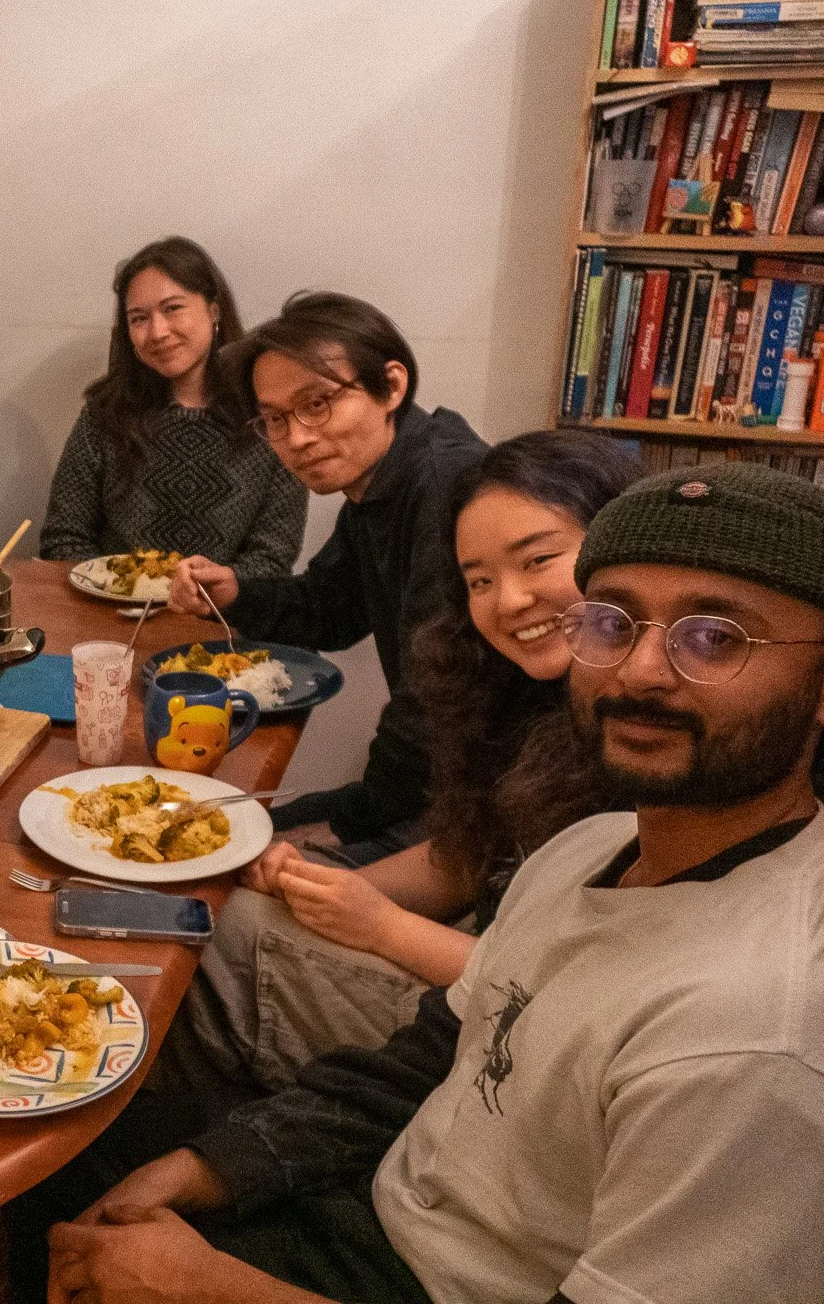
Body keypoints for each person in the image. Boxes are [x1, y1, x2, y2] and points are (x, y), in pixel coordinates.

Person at [31, 461, 824, 1304]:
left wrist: (211, 1287)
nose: (640, 671)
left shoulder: (753, 1043)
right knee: (57, 1154)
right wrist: (211, 1168)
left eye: (716, 638)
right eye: (612, 621)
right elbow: (429, 1059)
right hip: (382, 1204)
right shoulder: (594, 844)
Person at [154, 430, 635, 1118]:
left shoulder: (644, 733)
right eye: (479, 581)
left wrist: (379, 924)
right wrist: (334, 887)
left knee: (203, 945)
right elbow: (469, 858)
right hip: (482, 965)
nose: (510, 600)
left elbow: (572, 990)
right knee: (231, 904)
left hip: (523, 1045)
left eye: (539, 560)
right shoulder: (529, 693)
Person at [169, 292, 486, 864]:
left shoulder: (447, 484)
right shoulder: (381, 485)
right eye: (274, 420)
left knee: (216, 862)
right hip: (435, 785)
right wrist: (236, 590)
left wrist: (350, 819)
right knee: (213, 823)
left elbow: (436, 698)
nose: (297, 438)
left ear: (391, 387)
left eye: (317, 404)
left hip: (483, 811)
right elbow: (329, 610)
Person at [39, 237, 305, 572]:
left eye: (172, 309)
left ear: (214, 310)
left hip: (223, 618)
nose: (157, 332)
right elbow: (63, 537)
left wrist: (203, 594)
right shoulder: (105, 414)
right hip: (110, 615)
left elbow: (272, 557)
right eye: (138, 318)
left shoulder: (269, 416)